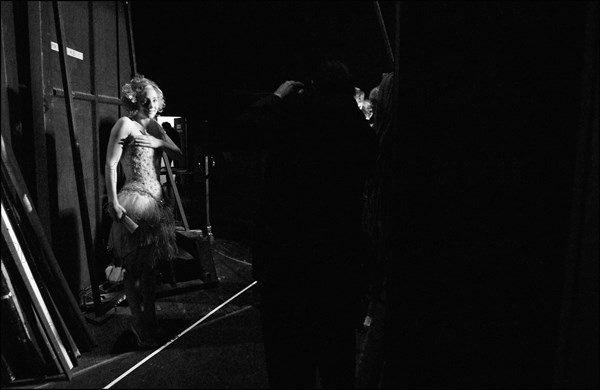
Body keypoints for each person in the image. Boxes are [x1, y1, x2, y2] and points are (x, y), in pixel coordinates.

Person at [227, 60, 377, 388]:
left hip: (286, 264)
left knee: (289, 369)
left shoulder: (293, 114)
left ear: (310, 84)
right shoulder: (354, 123)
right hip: (337, 266)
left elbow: (240, 130)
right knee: (338, 365)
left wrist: (278, 96)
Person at [104, 74, 182, 348]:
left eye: (154, 100)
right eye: (145, 99)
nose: (150, 103)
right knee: (134, 270)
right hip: (135, 202)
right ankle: (139, 326)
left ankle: (151, 323)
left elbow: (178, 153)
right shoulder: (125, 123)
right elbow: (111, 164)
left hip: (156, 204)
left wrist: (161, 142)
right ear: (135, 99)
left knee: (150, 271)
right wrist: (113, 202)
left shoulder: (156, 128)